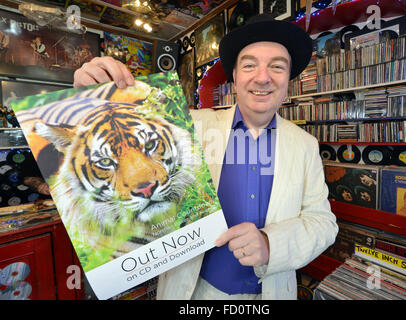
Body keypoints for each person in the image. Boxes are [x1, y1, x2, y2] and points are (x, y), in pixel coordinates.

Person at [73, 14, 338, 300]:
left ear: (288, 79)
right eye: (250, 65)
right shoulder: (189, 126)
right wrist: (89, 93)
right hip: (195, 293)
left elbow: (322, 222)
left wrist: (271, 244)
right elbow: (111, 134)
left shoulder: (306, 146)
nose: (263, 77)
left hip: (271, 291)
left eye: (277, 67)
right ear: (235, 77)